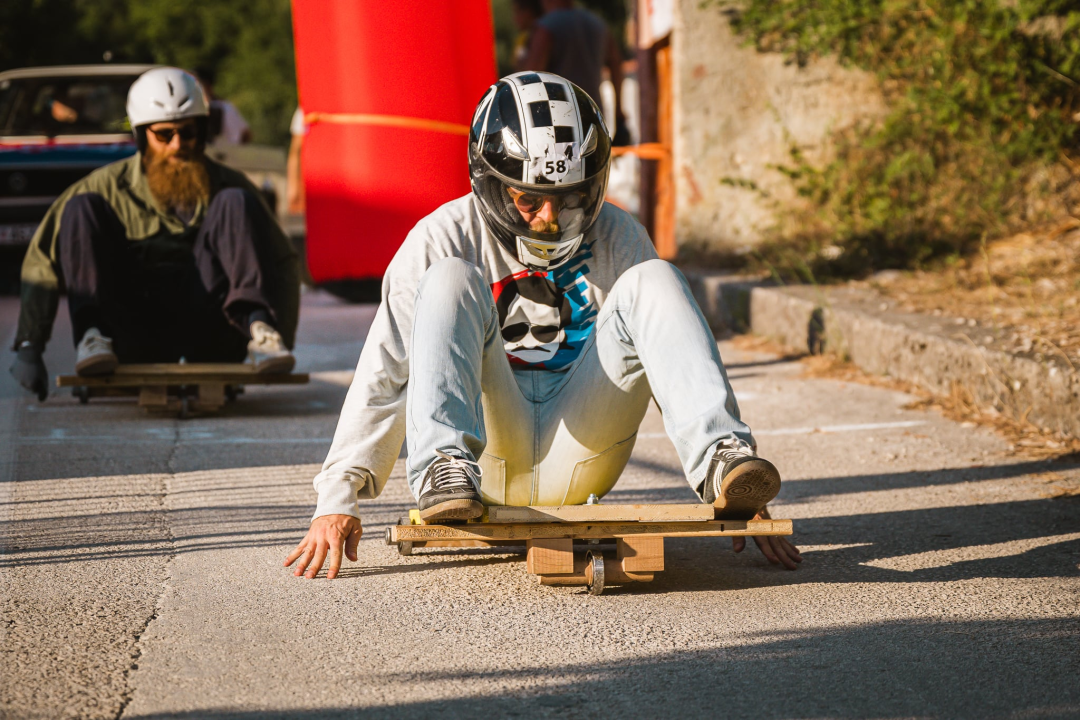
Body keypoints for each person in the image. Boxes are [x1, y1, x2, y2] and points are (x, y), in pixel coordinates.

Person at [285, 71, 801, 580]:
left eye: (570, 197)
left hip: (583, 452)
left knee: (656, 278)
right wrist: (337, 497)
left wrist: (739, 496)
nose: (549, 218)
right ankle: (443, 463)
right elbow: (385, 370)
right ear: (490, 183)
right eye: (529, 199)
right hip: (481, 461)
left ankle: (720, 460)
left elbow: (672, 352)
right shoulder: (440, 236)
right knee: (448, 278)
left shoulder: (619, 233)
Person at [9, 67, 300, 400]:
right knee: (81, 208)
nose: (178, 145)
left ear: (202, 132)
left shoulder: (229, 184)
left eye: (188, 132)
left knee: (237, 201)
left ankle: (261, 335)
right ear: (142, 136)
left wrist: (283, 336)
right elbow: (41, 260)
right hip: (131, 331)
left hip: (210, 327)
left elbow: (282, 260)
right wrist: (30, 345)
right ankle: (92, 337)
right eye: (164, 135)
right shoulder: (105, 185)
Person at [521, 0, 630, 146]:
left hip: (556, 124)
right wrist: (619, 115)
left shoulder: (546, 27)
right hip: (593, 118)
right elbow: (616, 65)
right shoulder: (598, 24)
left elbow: (528, 79)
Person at [511, 0, 545, 71]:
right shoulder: (524, 37)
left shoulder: (541, 35)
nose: (514, 18)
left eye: (516, 11)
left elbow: (521, 68)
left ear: (527, 12)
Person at [286, 107, 307, 215]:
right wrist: (293, 190)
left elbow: (295, 151)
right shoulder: (305, 109)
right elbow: (296, 151)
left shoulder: (305, 109)